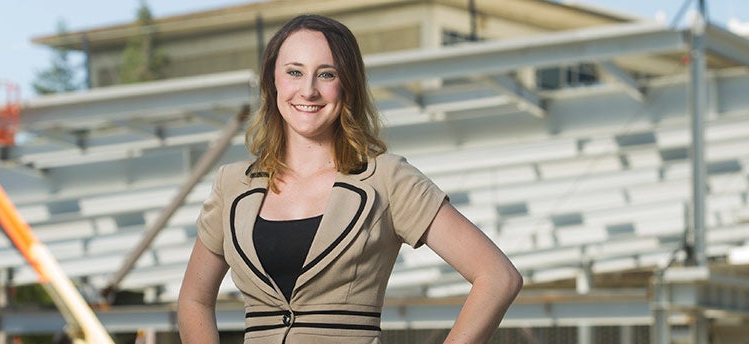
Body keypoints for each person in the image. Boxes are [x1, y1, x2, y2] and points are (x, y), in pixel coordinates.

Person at [178, 14, 522, 343]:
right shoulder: (232, 184)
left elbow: (498, 277)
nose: (308, 90)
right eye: (294, 72)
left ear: (348, 85)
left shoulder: (387, 179)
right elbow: (194, 299)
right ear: (272, 80)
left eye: (326, 74)